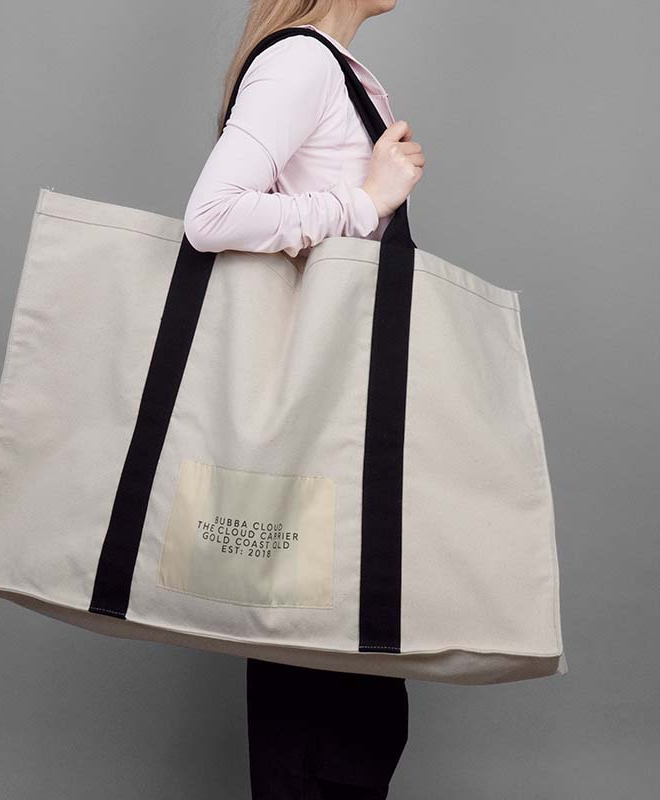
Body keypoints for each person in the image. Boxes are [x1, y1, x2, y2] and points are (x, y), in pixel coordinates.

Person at [183, 2, 425, 798]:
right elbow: (210, 215)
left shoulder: (339, 71)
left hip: (335, 424)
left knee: (350, 711)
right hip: (316, 430)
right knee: (326, 722)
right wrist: (365, 203)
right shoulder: (303, 62)